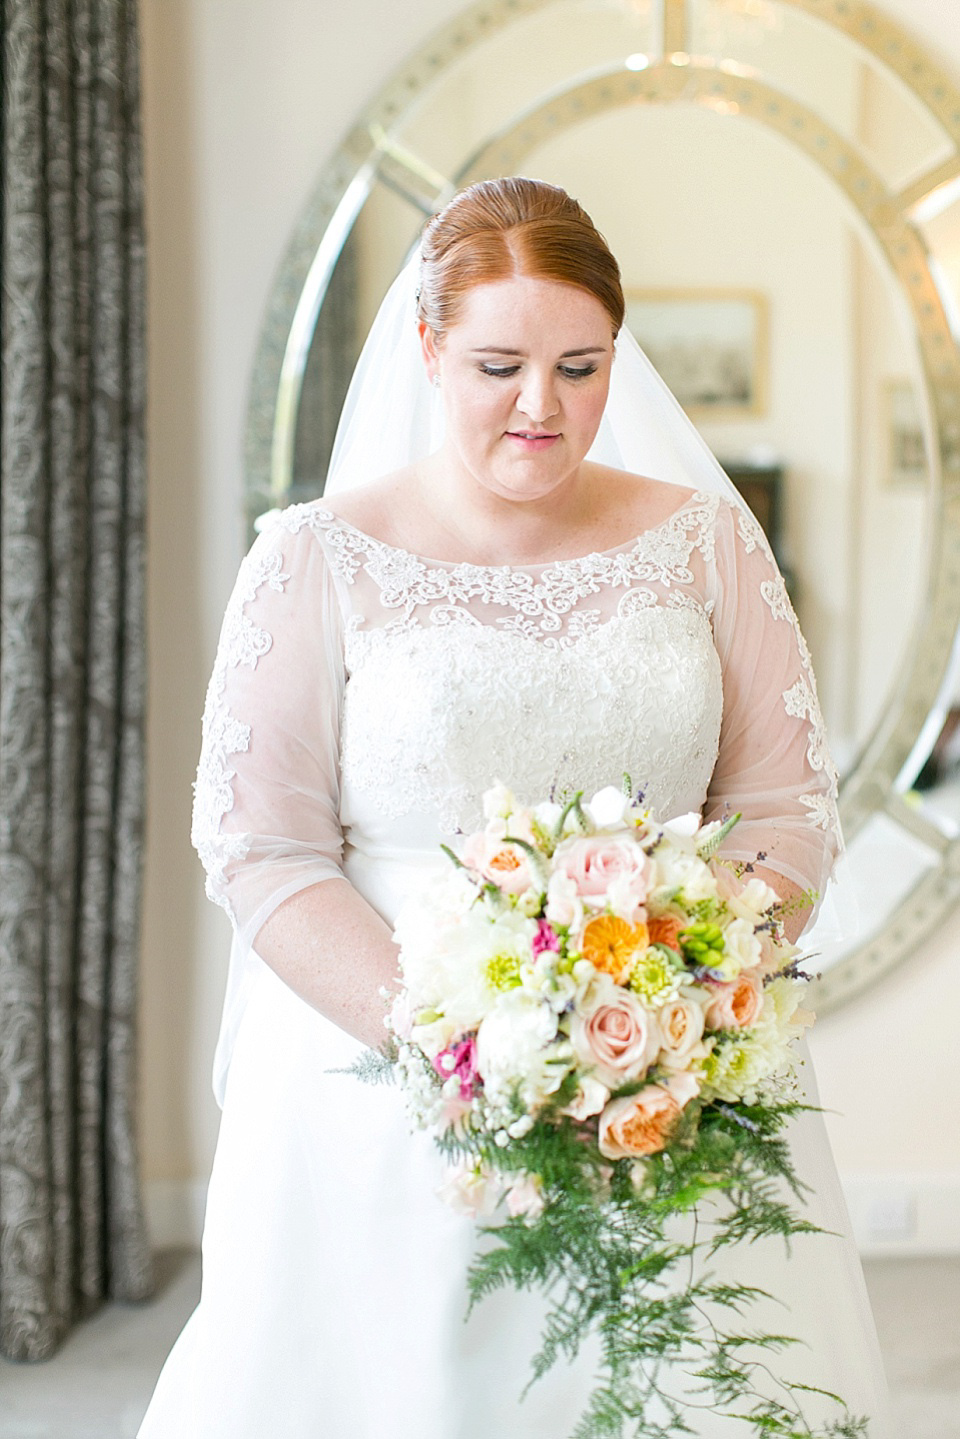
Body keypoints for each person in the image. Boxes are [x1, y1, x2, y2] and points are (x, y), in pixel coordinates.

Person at [139, 177, 891, 1437]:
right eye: (499, 364)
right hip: (379, 1086)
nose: (542, 406)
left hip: (665, 1081)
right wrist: (460, 1045)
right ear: (430, 349)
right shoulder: (316, 559)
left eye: (580, 365)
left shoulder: (708, 544)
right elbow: (262, 841)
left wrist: (683, 1005)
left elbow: (781, 802)